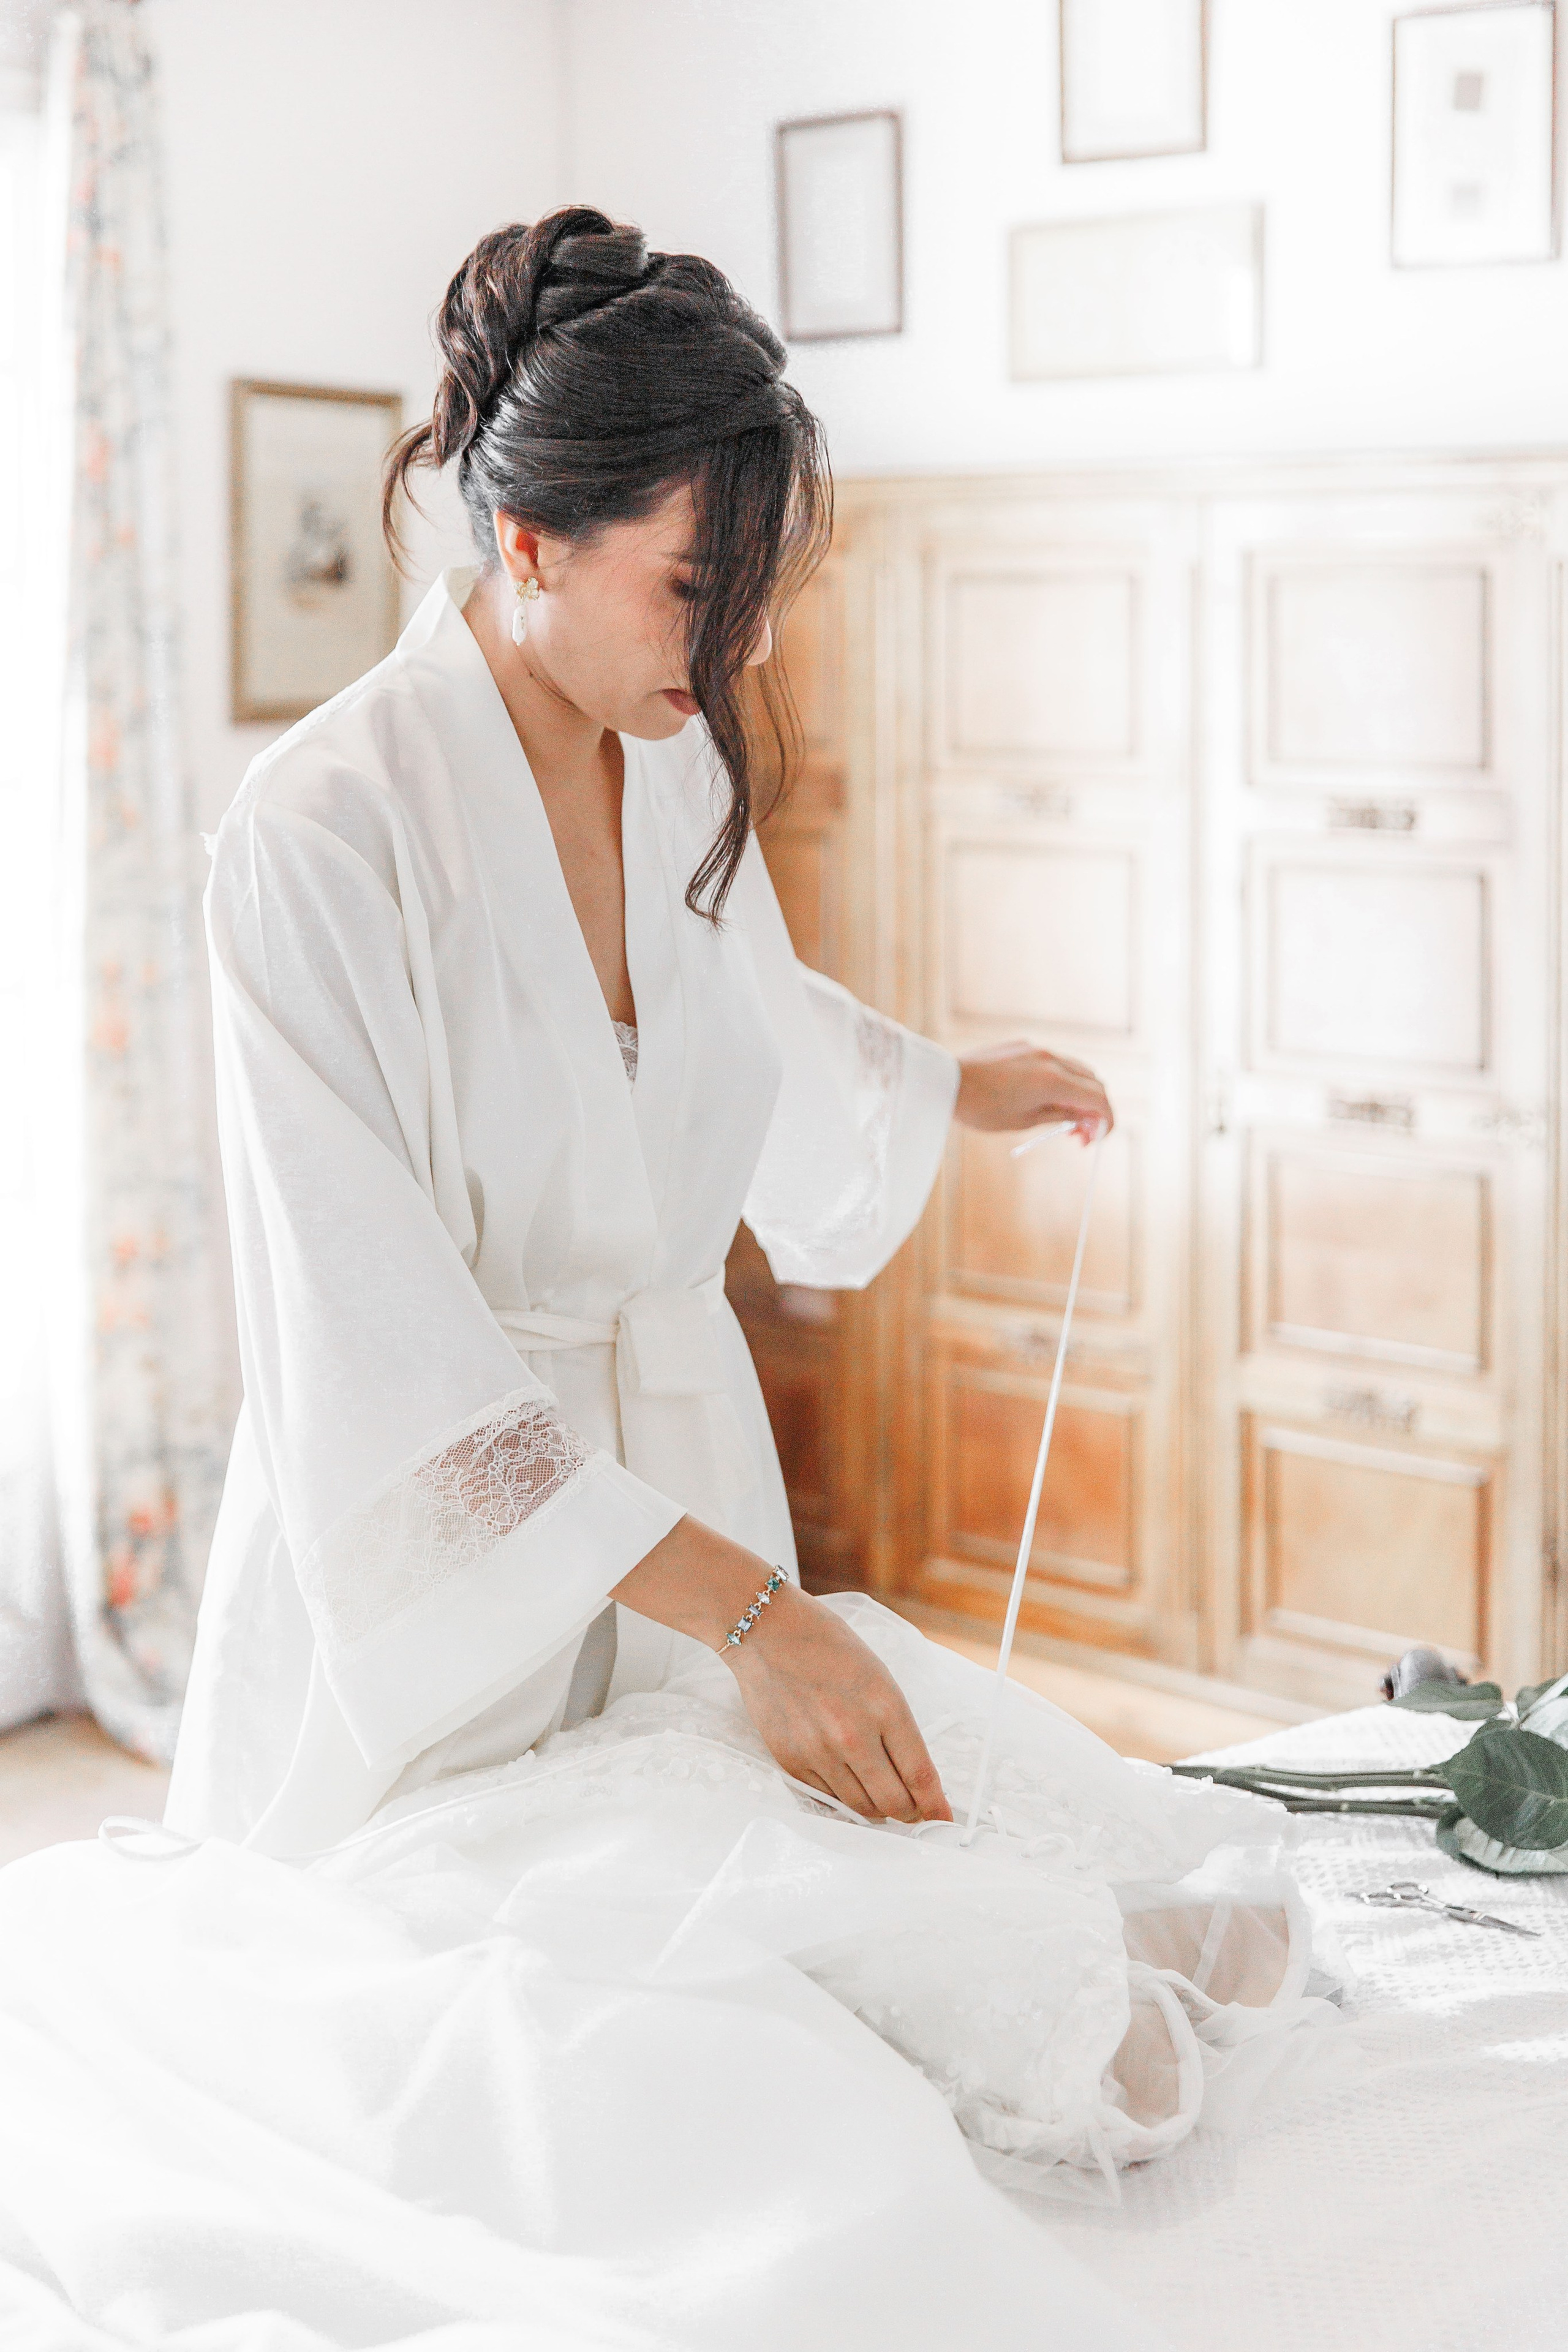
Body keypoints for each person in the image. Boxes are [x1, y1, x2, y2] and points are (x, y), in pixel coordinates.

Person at [137, 209, 1329, 2346]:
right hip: (442, 1607)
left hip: (690, 1518)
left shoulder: (666, 755)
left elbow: (745, 1034)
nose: (735, 639)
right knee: (899, 2020)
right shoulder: (320, 834)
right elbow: (377, 1349)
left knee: (1173, 1909)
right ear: (528, 534)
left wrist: (942, 1085)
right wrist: (759, 1620)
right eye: (697, 581)